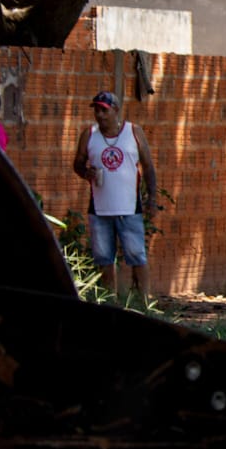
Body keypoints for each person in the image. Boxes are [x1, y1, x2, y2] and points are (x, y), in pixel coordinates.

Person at [71, 91, 158, 297]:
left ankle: (144, 302)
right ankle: (109, 300)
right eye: (97, 110)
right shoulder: (89, 135)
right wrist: (86, 172)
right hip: (99, 207)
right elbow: (78, 163)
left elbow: (148, 166)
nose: (100, 115)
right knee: (103, 258)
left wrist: (152, 198)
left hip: (129, 207)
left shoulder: (133, 132)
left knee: (137, 255)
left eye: (104, 110)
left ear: (115, 110)